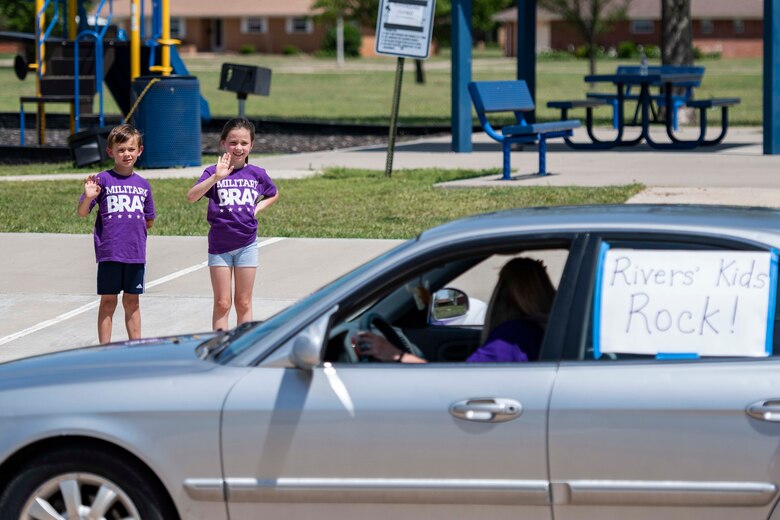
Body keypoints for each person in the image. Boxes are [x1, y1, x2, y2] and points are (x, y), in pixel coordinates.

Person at [353, 257, 555, 363]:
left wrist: (395, 354)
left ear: (504, 296)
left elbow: (457, 386)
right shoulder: (539, 332)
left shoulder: (512, 337)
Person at [187, 118, 279, 331]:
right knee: (222, 303)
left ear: (251, 145)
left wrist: (257, 208)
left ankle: (243, 347)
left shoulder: (257, 174)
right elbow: (191, 197)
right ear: (223, 143)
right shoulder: (212, 172)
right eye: (233, 142)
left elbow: (273, 193)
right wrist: (216, 178)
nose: (238, 148)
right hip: (219, 246)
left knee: (244, 302)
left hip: (247, 244)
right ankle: (219, 345)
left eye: (244, 143)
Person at [77, 123, 155, 344]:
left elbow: (149, 220)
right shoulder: (102, 180)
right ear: (110, 152)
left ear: (139, 151)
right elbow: (83, 213)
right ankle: (105, 349)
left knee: (132, 302)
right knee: (108, 301)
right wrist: (89, 197)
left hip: (135, 253)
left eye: (131, 149)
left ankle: (135, 346)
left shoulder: (143, 185)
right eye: (121, 150)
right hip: (110, 252)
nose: (126, 154)